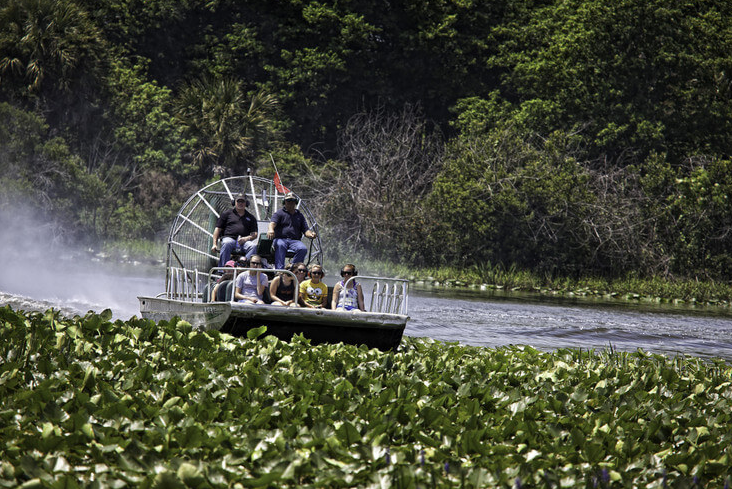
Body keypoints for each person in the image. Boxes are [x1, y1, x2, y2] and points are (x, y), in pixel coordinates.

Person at [266, 192, 316, 269]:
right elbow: (272, 223)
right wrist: (271, 230)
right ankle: (280, 271)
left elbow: (306, 230)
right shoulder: (279, 213)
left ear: (295, 203)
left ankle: (292, 269)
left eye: (292, 201)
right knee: (280, 245)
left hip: (294, 241)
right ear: (284, 202)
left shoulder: (300, 215)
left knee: (302, 249)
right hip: (281, 239)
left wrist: (311, 234)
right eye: (288, 201)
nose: (290, 203)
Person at [211, 193, 258, 268]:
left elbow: (254, 234)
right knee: (227, 243)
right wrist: (214, 244)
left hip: (244, 241)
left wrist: (246, 238)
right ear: (234, 203)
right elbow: (217, 229)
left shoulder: (251, 217)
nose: (240, 203)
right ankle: (223, 270)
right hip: (230, 238)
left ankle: (243, 267)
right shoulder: (226, 214)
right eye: (238, 201)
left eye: (242, 202)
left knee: (253, 246)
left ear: (246, 203)